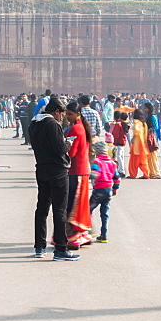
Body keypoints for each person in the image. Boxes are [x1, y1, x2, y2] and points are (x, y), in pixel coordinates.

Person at [29, 98, 79, 261]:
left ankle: (39, 246)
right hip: (57, 171)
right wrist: (68, 144)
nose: (62, 117)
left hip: (41, 167)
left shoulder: (34, 123)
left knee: (42, 208)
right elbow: (60, 149)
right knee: (59, 210)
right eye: (62, 113)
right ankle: (60, 249)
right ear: (56, 111)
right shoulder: (52, 125)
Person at [64, 101, 93, 249]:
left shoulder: (74, 129)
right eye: (66, 114)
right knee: (80, 205)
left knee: (72, 205)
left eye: (70, 114)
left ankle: (73, 238)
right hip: (83, 171)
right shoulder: (82, 128)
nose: (68, 117)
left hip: (75, 172)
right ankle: (84, 234)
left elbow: (71, 152)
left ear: (78, 114)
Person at [89, 140, 120, 243]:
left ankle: (88, 231)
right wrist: (115, 189)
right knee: (105, 213)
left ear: (97, 152)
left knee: (87, 209)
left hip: (99, 190)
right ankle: (104, 235)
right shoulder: (112, 163)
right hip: (108, 190)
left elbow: (94, 174)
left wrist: (89, 176)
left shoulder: (97, 162)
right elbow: (116, 178)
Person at [127, 109, 150, 179]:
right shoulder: (144, 123)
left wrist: (133, 138)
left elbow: (137, 131)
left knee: (133, 161)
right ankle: (146, 174)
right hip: (143, 144)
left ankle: (132, 174)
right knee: (142, 160)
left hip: (137, 144)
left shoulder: (136, 122)